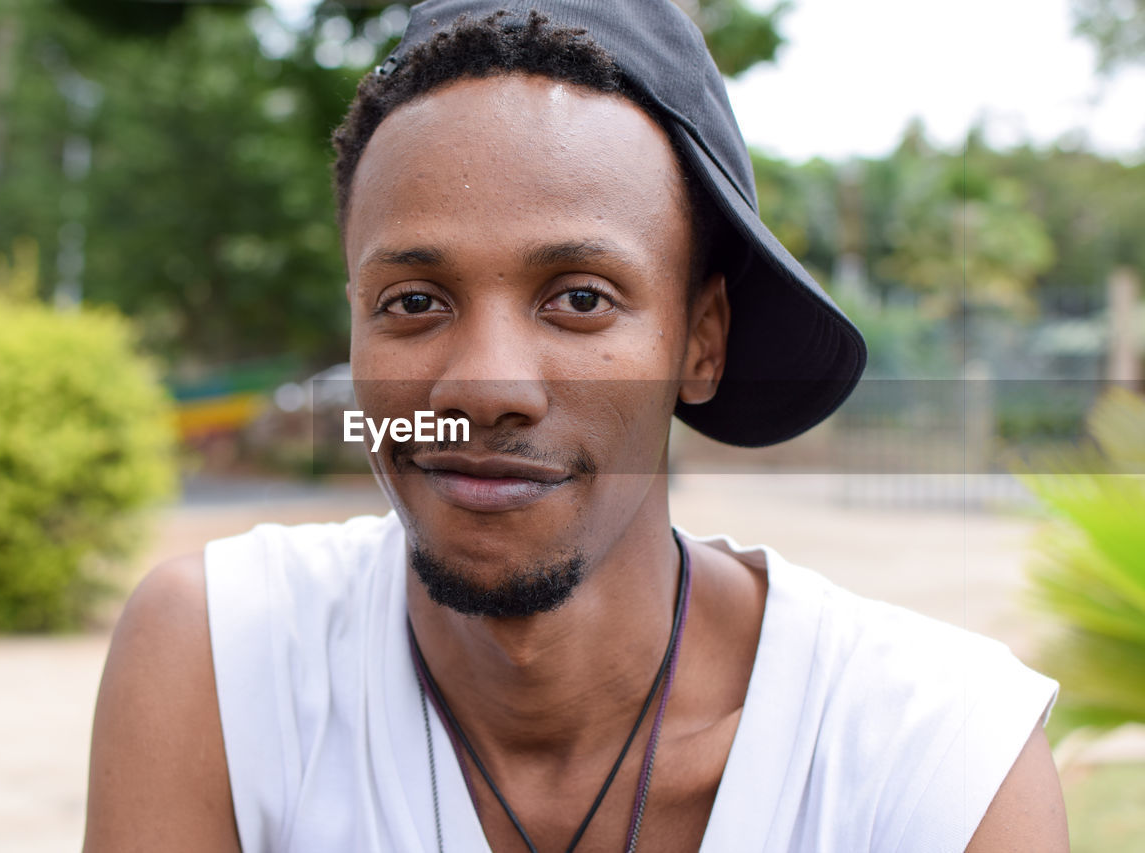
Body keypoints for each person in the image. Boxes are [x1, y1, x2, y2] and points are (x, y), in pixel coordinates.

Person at [83, 1, 1068, 850]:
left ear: (701, 340)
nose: (483, 386)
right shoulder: (226, 660)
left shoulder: (933, 752)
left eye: (581, 299)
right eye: (414, 302)